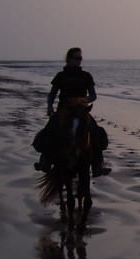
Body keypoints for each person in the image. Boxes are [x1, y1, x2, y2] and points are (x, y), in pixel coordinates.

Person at [33, 47, 111, 177]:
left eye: (80, 58)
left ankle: (98, 164)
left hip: (81, 110)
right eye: (77, 58)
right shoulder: (61, 75)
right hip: (65, 109)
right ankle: (45, 160)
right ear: (69, 59)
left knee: (95, 131)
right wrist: (49, 106)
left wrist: (83, 100)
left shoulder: (86, 75)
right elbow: (52, 93)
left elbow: (93, 95)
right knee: (49, 130)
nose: (79, 61)